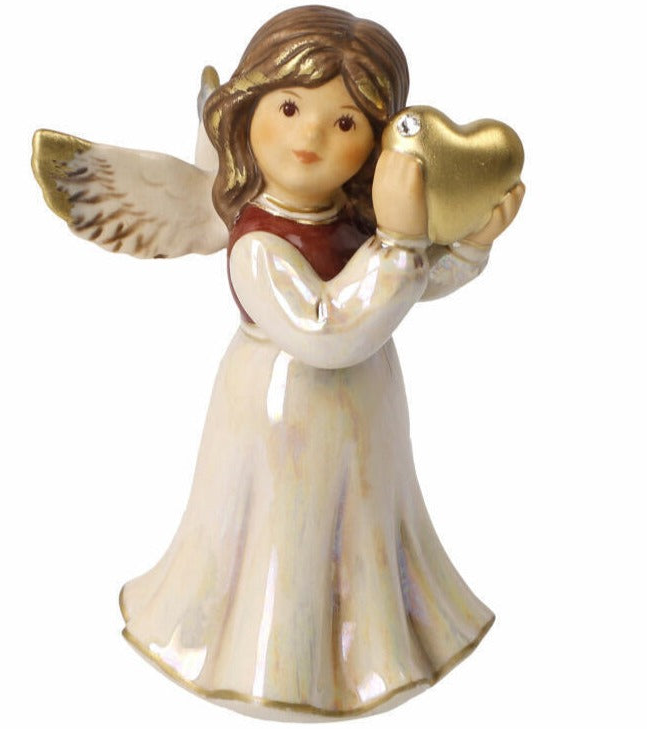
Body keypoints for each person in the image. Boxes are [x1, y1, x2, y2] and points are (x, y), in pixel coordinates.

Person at [116, 5, 524, 720]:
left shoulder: (355, 221)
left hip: (365, 403)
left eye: (343, 122)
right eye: (289, 107)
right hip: (283, 412)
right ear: (246, 110)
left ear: (374, 142)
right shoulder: (257, 247)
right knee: (290, 530)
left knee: (364, 519)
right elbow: (325, 331)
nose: (309, 136)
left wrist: (465, 245)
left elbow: (409, 287)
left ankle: (372, 640)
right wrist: (399, 244)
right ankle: (279, 656)